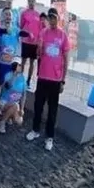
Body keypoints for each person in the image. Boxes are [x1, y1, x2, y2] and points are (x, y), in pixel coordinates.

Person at [26, 8, 69, 151]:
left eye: (54, 17)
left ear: (58, 18)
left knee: (52, 110)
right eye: (50, 18)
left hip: (55, 80)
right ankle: (35, 130)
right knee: (38, 106)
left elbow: (66, 59)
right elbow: (39, 54)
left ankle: (49, 137)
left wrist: (63, 80)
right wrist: (38, 48)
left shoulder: (63, 35)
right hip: (42, 77)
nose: (52, 20)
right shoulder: (43, 33)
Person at [0, 57, 26, 134]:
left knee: (19, 121)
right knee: (15, 106)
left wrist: (22, 109)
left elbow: (23, 95)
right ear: (15, 66)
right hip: (5, 102)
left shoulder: (23, 78)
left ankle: (6, 116)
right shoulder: (8, 75)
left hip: (15, 103)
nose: (21, 67)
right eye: (19, 65)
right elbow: (3, 87)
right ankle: (2, 122)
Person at [19, 0, 41, 89]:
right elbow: (21, 26)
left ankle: (28, 81)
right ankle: (20, 80)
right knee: (23, 62)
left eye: (32, 1)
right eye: (29, 1)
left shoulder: (38, 15)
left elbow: (40, 29)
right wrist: (27, 32)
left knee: (32, 63)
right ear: (27, 2)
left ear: (34, 2)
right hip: (25, 41)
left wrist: (39, 41)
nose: (31, 3)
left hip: (34, 43)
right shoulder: (24, 13)